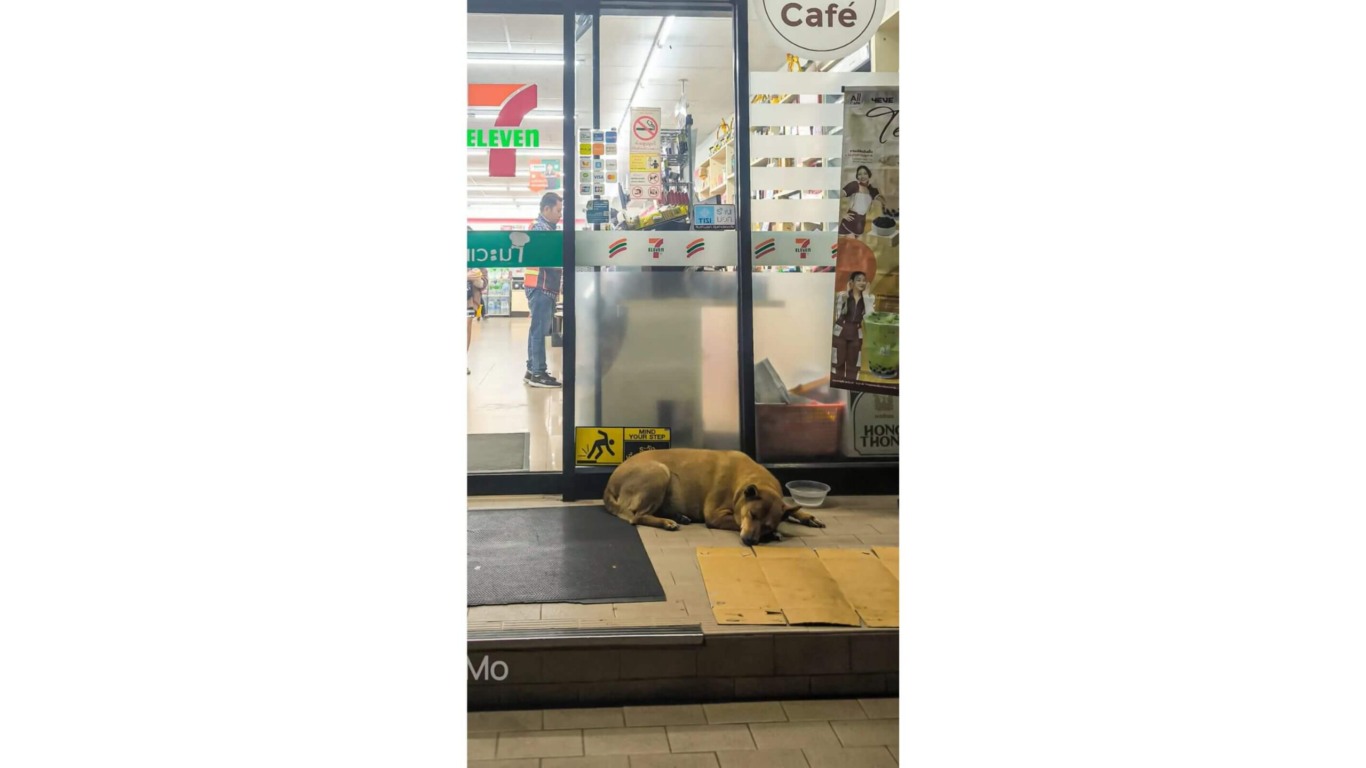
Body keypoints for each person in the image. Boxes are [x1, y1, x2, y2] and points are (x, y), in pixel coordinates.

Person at [524, 192, 564, 388]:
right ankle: (538, 373)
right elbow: (549, 259)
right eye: (558, 210)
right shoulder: (541, 229)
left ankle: (532, 369)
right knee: (539, 330)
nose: (560, 215)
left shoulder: (543, 227)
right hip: (541, 285)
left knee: (535, 330)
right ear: (546, 209)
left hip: (540, 285)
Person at [832, 271, 875, 381]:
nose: (862, 283)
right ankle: (836, 385)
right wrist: (846, 295)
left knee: (854, 363)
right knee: (837, 360)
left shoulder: (869, 298)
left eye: (864, 280)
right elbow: (838, 315)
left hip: (856, 332)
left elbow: (870, 318)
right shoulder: (842, 295)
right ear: (852, 282)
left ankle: (851, 386)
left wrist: (866, 298)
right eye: (858, 280)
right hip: (841, 330)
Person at [838, 165, 886, 237]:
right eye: (859, 174)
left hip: (861, 224)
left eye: (865, 173)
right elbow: (835, 197)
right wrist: (842, 214)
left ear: (869, 175)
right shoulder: (854, 185)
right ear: (857, 176)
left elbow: (883, 201)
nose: (862, 176)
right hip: (848, 223)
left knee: (857, 246)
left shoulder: (872, 190)